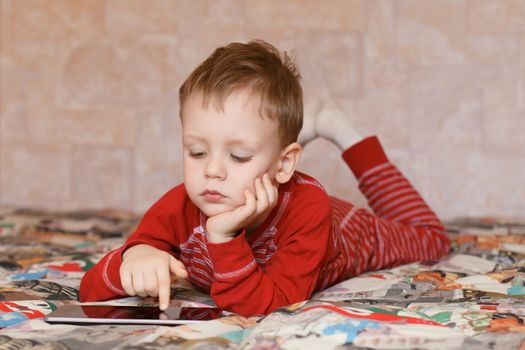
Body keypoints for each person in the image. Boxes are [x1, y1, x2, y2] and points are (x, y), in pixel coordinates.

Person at [79, 40, 450, 317]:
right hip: (276, 181)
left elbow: (264, 304)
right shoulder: (182, 203)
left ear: (286, 165)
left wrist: (223, 238)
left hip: (341, 232)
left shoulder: (310, 209)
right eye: (196, 152)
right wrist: (135, 256)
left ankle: (337, 127)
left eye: (238, 156)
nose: (212, 170)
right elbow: (90, 289)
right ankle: (267, 149)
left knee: (432, 241)